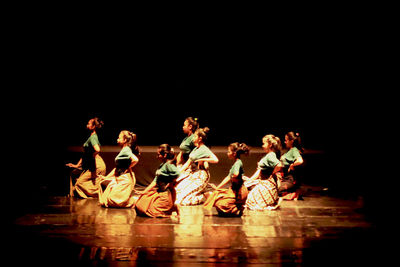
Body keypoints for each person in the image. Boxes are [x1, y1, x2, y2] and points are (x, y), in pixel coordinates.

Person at [175, 127, 219, 205]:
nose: (193, 138)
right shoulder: (196, 149)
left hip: (201, 176)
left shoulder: (204, 149)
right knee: (177, 191)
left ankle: (200, 197)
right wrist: (177, 173)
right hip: (194, 174)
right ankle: (202, 192)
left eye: (195, 136)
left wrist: (204, 159)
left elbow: (215, 160)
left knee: (182, 201)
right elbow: (187, 164)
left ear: (200, 138)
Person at [204, 142, 250, 216]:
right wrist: (217, 188)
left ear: (234, 154)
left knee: (220, 204)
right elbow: (228, 177)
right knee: (215, 196)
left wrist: (235, 177)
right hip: (234, 190)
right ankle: (236, 207)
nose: (227, 153)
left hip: (239, 193)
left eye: (229, 152)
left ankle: (237, 208)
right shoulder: (236, 163)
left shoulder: (238, 163)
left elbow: (236, 174)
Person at [135, 144, 180, 217]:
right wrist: (144, 191)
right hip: (160, 192)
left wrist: (172, 182)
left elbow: (177, 173)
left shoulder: (168, 165)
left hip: (166, 194)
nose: (157, 156)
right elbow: (155, 181)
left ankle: (173, 207)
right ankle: (170, 208)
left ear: (165, 155)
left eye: (158, 155)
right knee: (140, 206)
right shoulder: (162, 165)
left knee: (151, 212)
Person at [66, 117, 106, 198]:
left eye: (88, 124)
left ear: (94, 126)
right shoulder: (92, 136)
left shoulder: (93, 137)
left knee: (79, 183)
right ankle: (97, 192)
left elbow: (97, 149)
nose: (87, 125)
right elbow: (85, 154)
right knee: (74, 175)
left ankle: (100, 193)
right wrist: (77, 165)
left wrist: (93, 155)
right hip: (94, 164)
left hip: (97, 165)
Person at [98, 130, 139, 208]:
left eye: (119, 138)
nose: (117, 139)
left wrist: (128, 167)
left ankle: (135, 200)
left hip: (125, 178)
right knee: (105, 200)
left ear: (125, 140)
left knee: (112, 200)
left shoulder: (126, 149)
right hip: (119, 178)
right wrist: (106, 177)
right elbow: (116, 168)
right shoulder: (124, 150)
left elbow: (135, 159)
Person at [244, 134, 283, 210]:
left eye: (264, 143)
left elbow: (279, 165)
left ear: (270, 145)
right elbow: (259, 171)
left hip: (267, 184)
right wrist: (250, 179)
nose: (262, 146)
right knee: (246, 186)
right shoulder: (269, 155)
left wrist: (272, 173)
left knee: (250, 201)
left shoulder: (270, 155)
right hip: (264, 181)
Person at [279, 131, 304, 200]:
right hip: (285, 178)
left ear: (292, 141)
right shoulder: (289, 151)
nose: (285, 142)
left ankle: (294, 193)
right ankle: (291, 192)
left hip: (290, 180)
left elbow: (300, 160)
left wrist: (292, 165)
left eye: (286, 140)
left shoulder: (294, 150)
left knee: (276, 191)